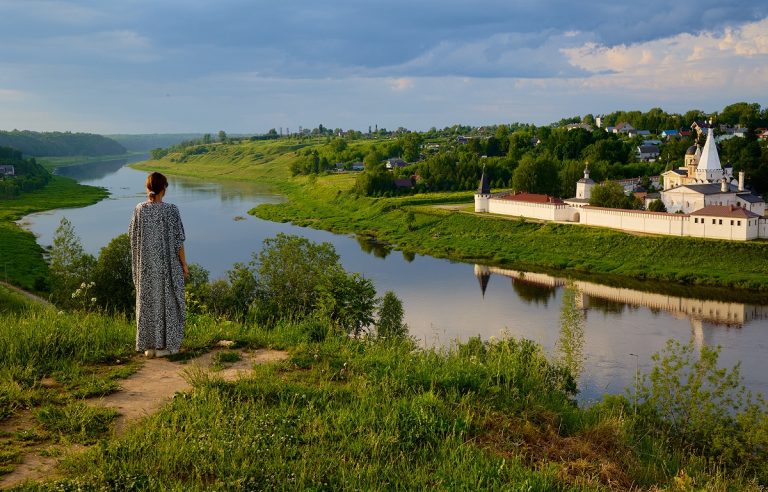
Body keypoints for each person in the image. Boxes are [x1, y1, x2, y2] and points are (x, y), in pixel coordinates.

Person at [129, 172, 189, 358]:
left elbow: (132, 237)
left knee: (148, 302)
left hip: (146, 267)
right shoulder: (171, 210)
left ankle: (149, 347)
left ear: (148, 188)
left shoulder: (140, 209)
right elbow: (178, 241)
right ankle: (166, 347)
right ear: (164, 188)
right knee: (170, 302)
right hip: (167, 267)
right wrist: (184, 266)